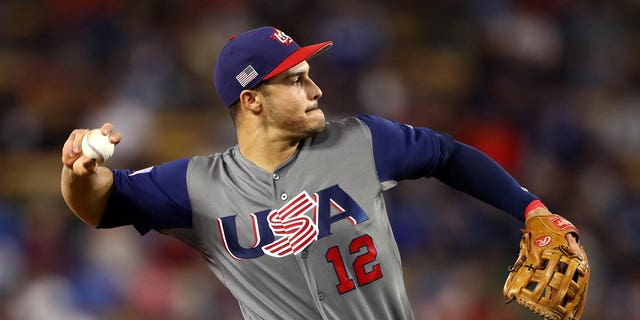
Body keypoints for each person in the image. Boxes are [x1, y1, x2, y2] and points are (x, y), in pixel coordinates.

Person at [61, 26, 584, 319]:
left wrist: (531, 209)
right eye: (296, 80)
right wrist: (79, 174)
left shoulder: (361, 139)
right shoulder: (197, 186)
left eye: (310, 77)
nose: (316, 91)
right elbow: (101, 202)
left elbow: (447, 155)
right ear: (253, 101)